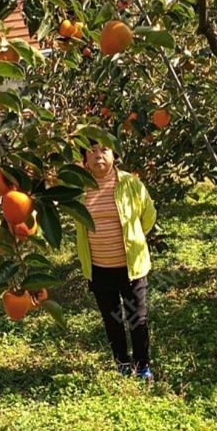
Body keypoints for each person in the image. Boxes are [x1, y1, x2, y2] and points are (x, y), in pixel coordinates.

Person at [76, 142, 157, 380]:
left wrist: (134, 239)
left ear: (114, 155)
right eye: (91, 151)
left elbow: (148, 215)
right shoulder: (80, 189)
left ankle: (142, 366)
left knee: (137, 317)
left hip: (131, 267)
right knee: (112, 319)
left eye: (104, 149)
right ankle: (122, 362)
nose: (98, 155)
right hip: (99, 269)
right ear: (84, 158)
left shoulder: (130, 183)